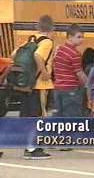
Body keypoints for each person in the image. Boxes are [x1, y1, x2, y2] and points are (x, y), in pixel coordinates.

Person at [15, 15, 55, 159]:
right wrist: (44, 72)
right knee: (39, 116)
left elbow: (15, 54)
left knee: (28, 116)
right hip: (39, 85)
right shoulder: (47, 42)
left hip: (27, 85)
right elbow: (38, 56)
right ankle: (33, 149)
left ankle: (29, 146)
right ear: (52, 29)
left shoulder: (31, 39)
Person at [53, 24, 87, 117]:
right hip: (71, 89)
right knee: (72, 117)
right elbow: (79, 73)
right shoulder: (75, 54)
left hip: (57, 88)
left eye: (83, 37)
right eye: (79, 37)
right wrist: (88, 84)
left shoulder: (58, 49)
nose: (82, 39)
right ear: (70, 37)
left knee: (58, 117)